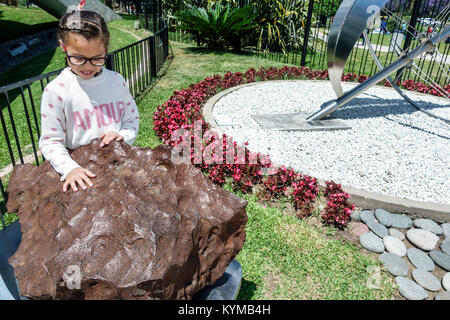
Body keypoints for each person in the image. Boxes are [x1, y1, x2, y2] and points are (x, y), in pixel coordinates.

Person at [39, 10, 139, 193]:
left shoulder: (117, 81)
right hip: (81, 169)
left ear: (106, 50)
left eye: (97, 58)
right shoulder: (56, 91)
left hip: (117, 166)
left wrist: (123, 135)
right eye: (78, 58)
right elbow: (50, 141)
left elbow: (132, 119)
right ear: (64, 47)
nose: (87, 66)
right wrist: (70, 168)